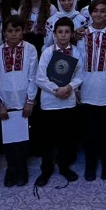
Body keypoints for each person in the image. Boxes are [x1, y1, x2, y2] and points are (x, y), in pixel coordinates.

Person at [33, 17, 85, 187]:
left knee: (65, 138)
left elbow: (80, 75)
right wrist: (56, 90)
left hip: (67, 102)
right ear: (54, 34)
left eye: (67, 32)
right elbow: (40, 78)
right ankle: (46, 169)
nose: (63, 35)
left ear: (71, 34)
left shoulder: (76, 52)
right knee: (47, 139)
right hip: (49, 102)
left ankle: (64, 167)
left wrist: (69, 87)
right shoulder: (48, 52)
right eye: (60, 32)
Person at [0, 16, 38, 187]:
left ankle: (22, 168)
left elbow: (33, 76)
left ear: (22, 32)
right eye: (10, 31)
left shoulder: (30, 49)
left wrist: (30, 101)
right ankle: (11, 168)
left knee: (23, 138)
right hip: (5, 101)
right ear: (4, 32)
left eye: (17, 30)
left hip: (24, 100)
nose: (13, 34)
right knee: (9, 139)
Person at [79, 0, 106, 181]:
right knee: (89, 132)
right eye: (95, 11)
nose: (98, 14)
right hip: (87, 87)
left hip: (105, 87)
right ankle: (90, 165)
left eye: (102, 11)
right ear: (90, 13)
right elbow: (78, 62)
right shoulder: (82, 34)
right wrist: (77, 88)